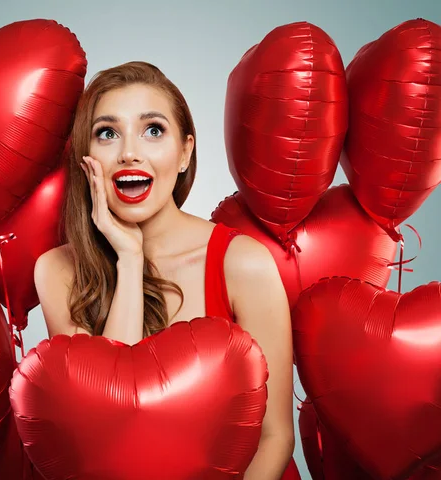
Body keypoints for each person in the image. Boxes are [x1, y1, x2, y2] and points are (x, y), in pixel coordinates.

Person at [34, 61, 299, 480]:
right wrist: (130, 259)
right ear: (86, 157)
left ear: (184, 153)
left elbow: (276, 437)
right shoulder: (58, 271)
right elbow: (108, 423)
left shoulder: (242, 263)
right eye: (107, 133)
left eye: (152, 130)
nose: (129, 153)